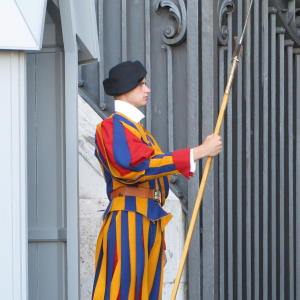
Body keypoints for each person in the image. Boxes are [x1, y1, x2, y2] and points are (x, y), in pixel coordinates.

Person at [92, 60, 222, 300]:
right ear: (125, 88)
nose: (147, 89)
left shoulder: (140, 133)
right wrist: (197, 152)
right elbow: (133, 167)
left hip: (147, 220)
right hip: (128, 219)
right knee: (122, 292)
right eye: (141, 84)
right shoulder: (110, 127)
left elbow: (154, 179)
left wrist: (159, 242)